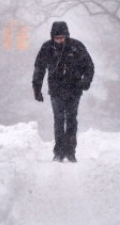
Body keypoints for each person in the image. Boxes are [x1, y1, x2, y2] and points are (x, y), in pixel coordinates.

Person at [32, 21, 94, 162]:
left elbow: (89, 66)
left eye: (62, 38)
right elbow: (39, 69)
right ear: (52, 37)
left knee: (71, 120)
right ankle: (59, 152)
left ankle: (70, 151)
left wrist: (86, 81)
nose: (59, 41)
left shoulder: (77, 47)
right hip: (56, 90)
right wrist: (37, 89)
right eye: (57, 38)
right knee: (59, 120)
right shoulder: (47, 48)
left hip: (74, 89)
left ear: (66, 36)